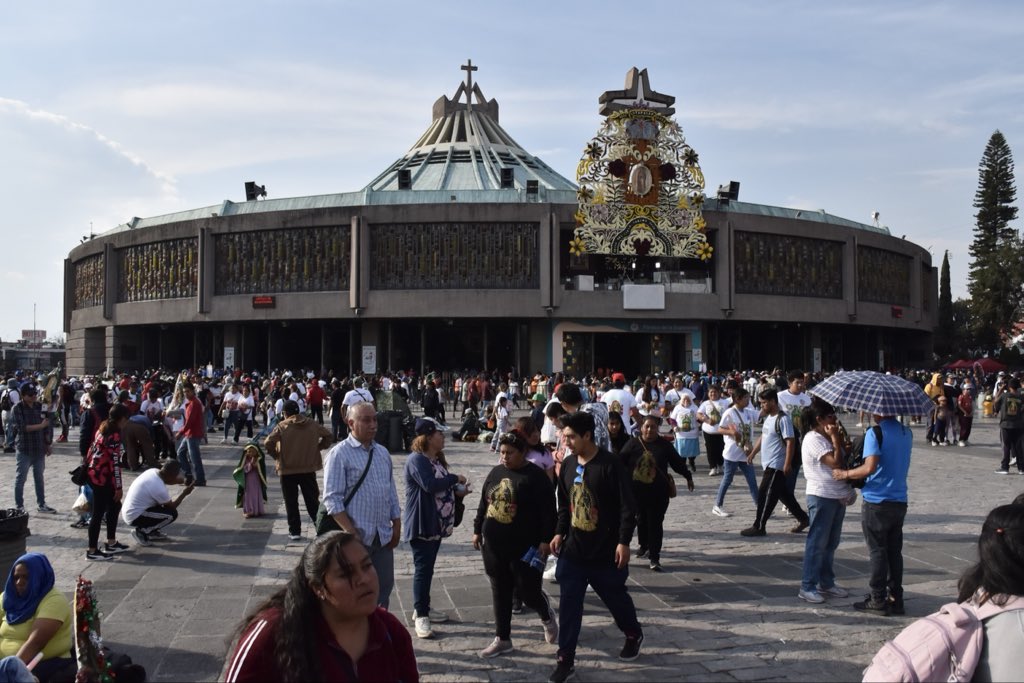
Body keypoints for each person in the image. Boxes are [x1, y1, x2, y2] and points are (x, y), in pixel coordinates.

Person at [223, 531, 419, 683]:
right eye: (345, 574)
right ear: (318, 588)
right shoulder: (272, 632)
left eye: (367, 566)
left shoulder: (391, 632)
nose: (364, 580)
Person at [548, 410, 643, 683]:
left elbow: (628, 507)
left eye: (570, 437)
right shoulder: (567, 465)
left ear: (587, 436)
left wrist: (624, 541)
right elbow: (564, 505)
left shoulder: (611, 465)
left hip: (606, 550)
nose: (566, 442)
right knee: (569, 604)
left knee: (615, 598)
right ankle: (565, 658)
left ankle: (633, 633)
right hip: (574, 551)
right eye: (564, 437)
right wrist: (558, 532)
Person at [472, 430, 558, 659]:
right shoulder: (496, 472)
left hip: (527, 546)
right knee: (500, 589)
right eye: (502, 452)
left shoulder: (536, 477)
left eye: (510, 452)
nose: (505, 457)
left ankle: (545, 613)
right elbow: (485, 501)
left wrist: (546, 540)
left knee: (528, 591)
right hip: (494, 544)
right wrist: (477, 529)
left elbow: (549, 512)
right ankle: (503, 638)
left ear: (523, 452)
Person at [321, 402, 401, 609]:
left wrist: (397, 525)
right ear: (350, 423)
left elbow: (390, 491)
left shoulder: (382, 452)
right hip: (355, 538)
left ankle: (380, 630)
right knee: (357, 591)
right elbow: (332, 498)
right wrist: (351, 531)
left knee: (383, 588)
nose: (373, 424)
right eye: (366, 420)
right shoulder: (339, 454)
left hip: (381, 536)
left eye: (375, 419)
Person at [834, 411, 913, 615]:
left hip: (877, 500)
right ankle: (896, 598)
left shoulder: (875, 433)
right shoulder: (907, 432)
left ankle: (877, 598)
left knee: (877, 551)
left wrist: (846, 474)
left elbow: (869, 467)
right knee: (894, 552)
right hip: (899, 499)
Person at [401, 417, 467, 639]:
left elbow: (441, 487)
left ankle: (424, 607)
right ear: (428, 437)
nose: (443, 437)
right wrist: (454, 478)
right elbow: (430, 485)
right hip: (423, 522)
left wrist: (458, 491)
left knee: (428, 568)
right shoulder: (417, 460)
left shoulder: (436, 459)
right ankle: (421, 615)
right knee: (423, 569)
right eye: (439, 433)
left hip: (436, 523)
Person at [619, 415, 694, 571]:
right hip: (636, 493)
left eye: (653, 427)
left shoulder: (664, 445)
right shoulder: (633, 444)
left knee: (655, 523)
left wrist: (688, 476)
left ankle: (654, 557)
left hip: (658, 494)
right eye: (646, 426)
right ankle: (643, 545)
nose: (649, 430)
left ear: (657, 429)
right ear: (641, 428)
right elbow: (619, 463)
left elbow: (677, 462)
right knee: (640, 520)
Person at [798, 399, 855, 604]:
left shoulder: (826, 437)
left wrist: (840, 442)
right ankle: (808, 585)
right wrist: (835, 438)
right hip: (821, 495)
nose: (835, 419)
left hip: (837, 494)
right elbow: (834, 462)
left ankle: (826, 582)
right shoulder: (813, 438)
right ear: (819, 419)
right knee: (817, 542)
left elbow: (841, 457)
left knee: (831, 543)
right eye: (830, 416)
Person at [741, 388, 809, 537]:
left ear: (773, 401)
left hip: (776, 465)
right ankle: (803, 519)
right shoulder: (769, 418)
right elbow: (763, 438)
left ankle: (759, 526)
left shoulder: (783, 419)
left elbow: (790, 441)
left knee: (765, 494)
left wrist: (787, 463)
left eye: (764, 403)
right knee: (784, 495)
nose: (762, 406)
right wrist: (753, 453)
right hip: (768, 463)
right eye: (760, 403)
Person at [0, 553, 74, 683]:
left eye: (26, 577)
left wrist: (11, 671)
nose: (19, 582)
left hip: (41, 663)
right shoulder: (7, 598)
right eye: (16, 577)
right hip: (4, 666)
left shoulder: (53, 600)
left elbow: (35, 643)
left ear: (39, 577)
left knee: (11, 663)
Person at [264, 399, 332, 541]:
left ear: (285, 413)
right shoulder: (312, 424)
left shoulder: (282, 426)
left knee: (291, 501)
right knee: (312, 501)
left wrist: (277, 455)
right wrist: (318, 448)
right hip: (308, 468)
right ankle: (320, 528)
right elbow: (328, 436)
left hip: (287, 469)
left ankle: (294, 531)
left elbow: (268, 442)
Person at [84, 403, 131, 561]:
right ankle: (92, 550)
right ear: (122, 419)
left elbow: (91, 449)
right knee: (98, 514)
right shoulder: (114, 435)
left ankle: (111, 542)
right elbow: (115, 463)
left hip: (95, 474)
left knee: (115, 506)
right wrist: (118, 487)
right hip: (102, 478)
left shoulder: (103, 428)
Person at [121, 459, 195, 546]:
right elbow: (172, 506)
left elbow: (167, 481)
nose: (179, 477)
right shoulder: (158, 488)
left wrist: (181, 481)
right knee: (171, 515)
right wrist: (184, 493)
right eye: (177, 475)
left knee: (164, 510)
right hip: (134, 516)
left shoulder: (153, 471)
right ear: (171, 476)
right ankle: (142, 531)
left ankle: (152, 531)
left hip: (132, 510)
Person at [712, 388, 759, 518]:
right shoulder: (730, 412)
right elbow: (720, 429)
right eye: (746, 398)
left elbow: (761, 415)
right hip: (732, 453)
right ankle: (718, 505)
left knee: (752, 481)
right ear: (737, 399)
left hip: (745, 452)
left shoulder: (749, 412)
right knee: (727, 480)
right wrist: (731, 432)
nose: (748, 400)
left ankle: (759, 506)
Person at [9, 385, 55, 514]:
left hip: (39, 448)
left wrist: (47, 444)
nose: (34, 396)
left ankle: (42, 504)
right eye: (30, 394)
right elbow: (22, 428)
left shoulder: (40, 406)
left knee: (39, 478)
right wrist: (41, 426)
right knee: (21, 479)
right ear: (23, 395)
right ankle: (19, 506)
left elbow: (47, 426)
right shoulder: (17, 408)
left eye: (35, 393)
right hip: (24, 448)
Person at [175, 383, 207, 487]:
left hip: (193, 434)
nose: (186, 394)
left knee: (195, 458)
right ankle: (188, 475)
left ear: (193, 391)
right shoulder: (191, 402)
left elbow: (190, 422)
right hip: (189, 433)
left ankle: (200, 479)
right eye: (184, 392)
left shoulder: (194, 403)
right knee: (181, 453)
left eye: (188, 391)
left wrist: (180, 432)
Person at [993, 377, 1024, 475]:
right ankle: (1021, 468)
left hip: (1006, 424)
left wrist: (1001, 389)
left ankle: (1005, 467)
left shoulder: (1004, 396)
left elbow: (995, 403)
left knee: (1006, 446)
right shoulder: (1021, 397)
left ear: (1009, 386)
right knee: (1018, 447)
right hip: (1018, 425)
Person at [696, 384, 729, 476]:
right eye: (711, 392)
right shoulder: (705, 403)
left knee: (721, 448)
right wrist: (706, 420)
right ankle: (712, 467)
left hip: (722, 430)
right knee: (710, 450)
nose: (713, 394)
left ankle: (721, 465)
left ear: (719, 393)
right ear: (708, 393)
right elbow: (698, 414)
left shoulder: (725, 402)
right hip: (708, 431)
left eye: (715, 392)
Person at [233, 443, 268, 518]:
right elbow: (243, 469)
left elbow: (261, 469)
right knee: (248, 495)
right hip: (248, 480)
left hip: (256, 479)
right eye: (249, 451)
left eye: (252, 451)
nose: (250, 453)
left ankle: (258, 510)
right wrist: (250, 464)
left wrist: (256, 465)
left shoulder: (258, 459)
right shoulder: (245, 459)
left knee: (256, 494)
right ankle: (249, 510)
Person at [669, 394, 700, 472]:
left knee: (692, 452)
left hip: (692, 433)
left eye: (688, 399)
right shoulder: (677, 408)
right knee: (682, 452)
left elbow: (699, 418)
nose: (686, 401)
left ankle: (692, 461)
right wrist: (674, 426)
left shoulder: (695, 408)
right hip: (681, 434)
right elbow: (672, 419)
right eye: (684, 399)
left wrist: (701, 424)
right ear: (681, 401)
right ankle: (683, 466)